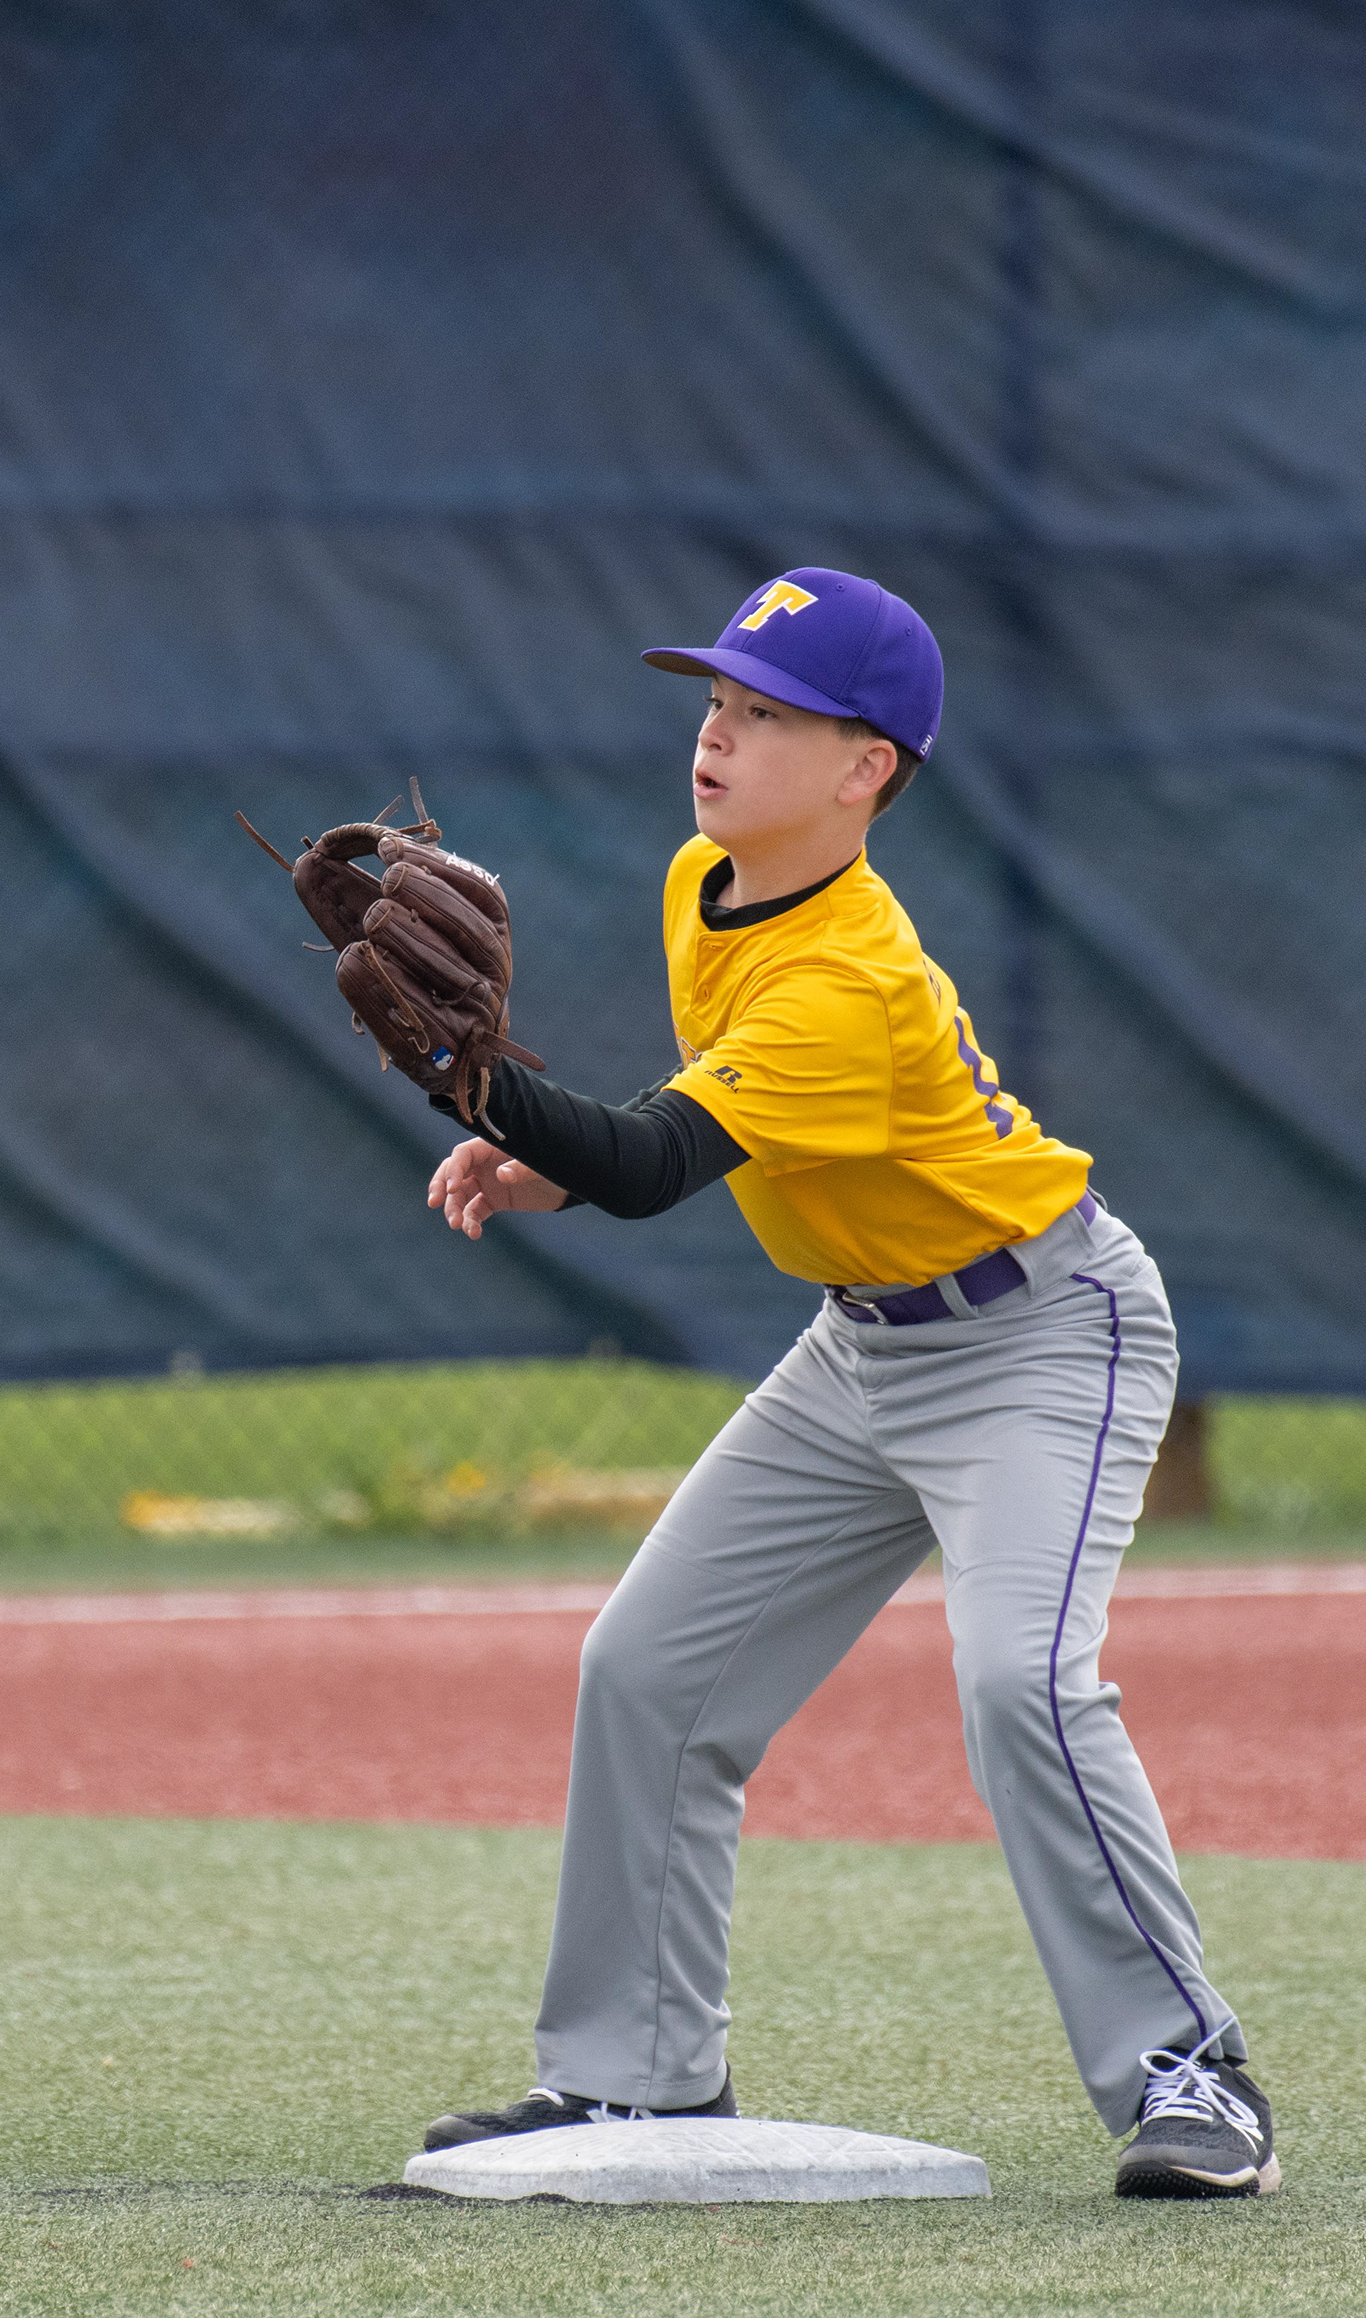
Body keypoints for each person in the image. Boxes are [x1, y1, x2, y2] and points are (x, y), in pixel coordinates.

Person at [412, 568, 1275, 2199]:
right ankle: (634, 2078)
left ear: (866, 767)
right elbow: (696, 1115)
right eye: (716, 699)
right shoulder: (705, 881)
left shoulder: (857, 978)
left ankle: (1191, 2073)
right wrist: (551, 1157)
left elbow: (656, 1166)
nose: (716, 734)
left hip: (1041, 1338)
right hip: (860, 1345)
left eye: (767, 714)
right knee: (648, 1669)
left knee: (1022, 1682)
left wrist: (474, 1080)